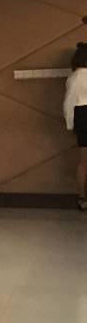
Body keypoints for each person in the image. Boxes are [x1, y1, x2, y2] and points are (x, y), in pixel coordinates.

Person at [64, 42, 87, 211]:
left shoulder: (74, 77)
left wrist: (70, 124)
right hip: (83, 113)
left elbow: (69, 103)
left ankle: (82, 198)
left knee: (84, 161)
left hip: (82, 116)